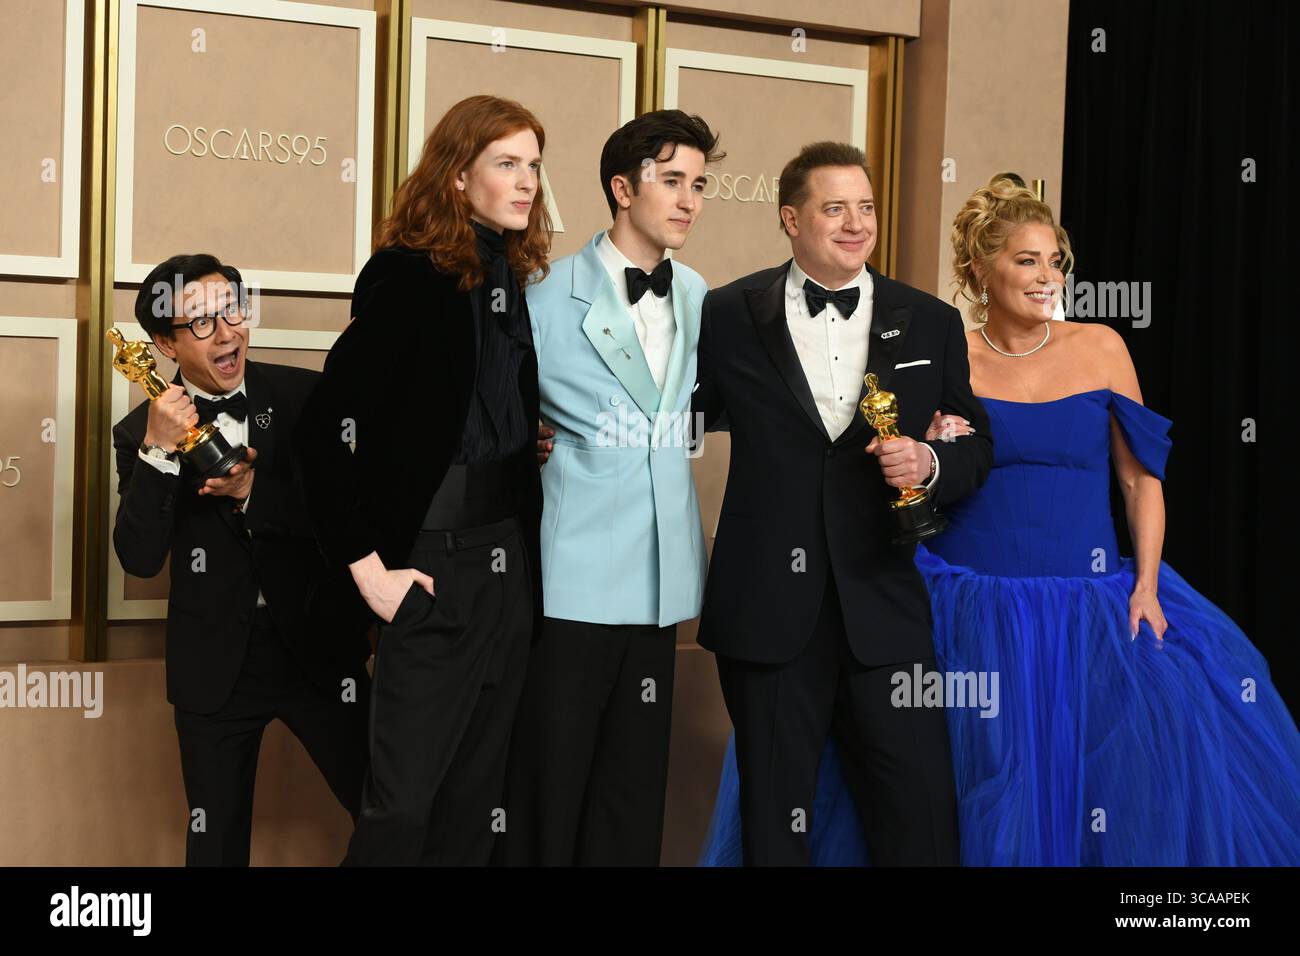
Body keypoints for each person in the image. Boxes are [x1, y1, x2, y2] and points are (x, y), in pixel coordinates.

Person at [701, 175, 1300, 865]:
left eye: (1056, 261)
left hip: (1090, 608)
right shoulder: (944, 342)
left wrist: (1147, 585)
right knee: (947, 794)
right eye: (1027, 260)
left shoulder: (1103, 347)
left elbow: (1141, 482)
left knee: (1101, 795)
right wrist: (927, 444)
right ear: (981, 269)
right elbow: (874, 448)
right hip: (965, 609)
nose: (1048, 277)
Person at [691, 142, 994, 866]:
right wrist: (566, 436)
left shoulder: (929, 321)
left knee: (919, 820)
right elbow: (680, 415)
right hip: (765, 611)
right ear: (791, 219)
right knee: (774, 826)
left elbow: (976, 443)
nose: (856, 223)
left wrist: (930, 460)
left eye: (865, 207)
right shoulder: (727, 312)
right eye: (835, 208)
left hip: (883, 606)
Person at [292, 94, 550, 866]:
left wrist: (512, 439)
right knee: (402, 808)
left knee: (476, 803)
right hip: (429, 567)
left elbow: (457, 408)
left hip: (507, 564)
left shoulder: (508, 273)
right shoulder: (408, 279)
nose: (527, 180)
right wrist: (370, 573)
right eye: (507, 164)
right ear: (457, 176)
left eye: (534, 165)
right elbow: (319, 435)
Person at [499, 111, 722, 866]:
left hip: (660, 581)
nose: (689, 199)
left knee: (632, 795)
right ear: (622, 189)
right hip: (571, 580)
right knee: (548, 788)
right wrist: (521, 442)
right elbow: (486, 415)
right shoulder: (539, 293)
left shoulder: (701, 296)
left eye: (698, 184)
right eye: (671, 182)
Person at [112, 253, 370, 866]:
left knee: (390, 805)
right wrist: (157, 450)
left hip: (316, 647)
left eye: (232, 309)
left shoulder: (306, 397)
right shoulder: (138, 433)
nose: (227, 331)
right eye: (200, 322)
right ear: (164, 345)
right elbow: (139, 558)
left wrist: (256, 493)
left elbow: (351, 521)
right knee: (215, 844)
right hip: (215, 668)